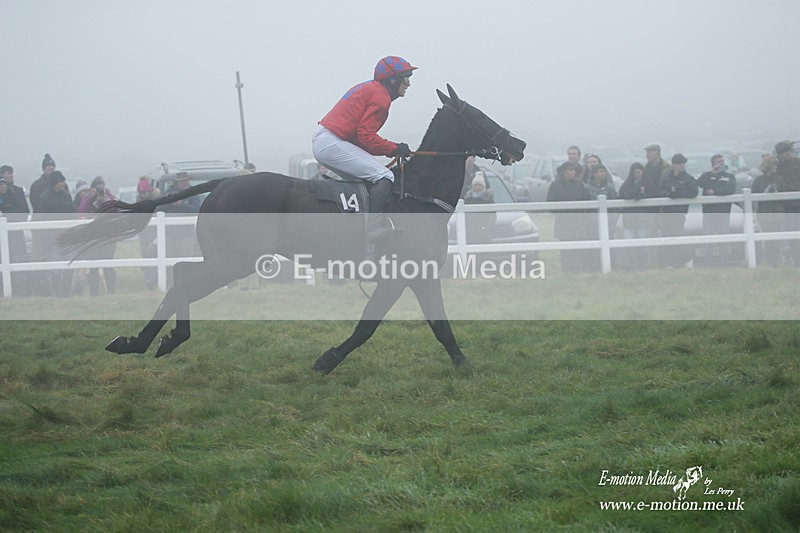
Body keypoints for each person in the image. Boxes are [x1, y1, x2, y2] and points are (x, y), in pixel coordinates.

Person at [312, 55, 416, 242]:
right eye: (406, 77)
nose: (408, 83)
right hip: (331, 142)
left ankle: (356, 228)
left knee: (367, 182)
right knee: (385, 176)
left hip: (329, 140)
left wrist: (392, 148)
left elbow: (361, 137)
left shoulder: (373, 89)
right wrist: (395, 148)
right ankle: (375, 227)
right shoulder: (381, 97)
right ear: (393, 80)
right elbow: (366, 137)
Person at [35, 170, 76, 296]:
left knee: (69, 266)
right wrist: (45, 239)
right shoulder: (44, 198)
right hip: (52, 239)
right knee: (55, 268)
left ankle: (66, 293)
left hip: (67, 238)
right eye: (60, 181)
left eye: (63, 181)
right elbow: (39, 220)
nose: (62, 184)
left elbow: (72, 215)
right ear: (54, 183)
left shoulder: (67, 196)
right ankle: (58, 293)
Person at [547, 162, 594, 272]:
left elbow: (586, 200)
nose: (573, 172)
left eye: (574, 170)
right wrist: (561, 215)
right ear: (564, 172)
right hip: (564, 222)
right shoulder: (555, 185)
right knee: (565, 246)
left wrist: (584, 216)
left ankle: (578, 268)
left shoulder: (579, 184)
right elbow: (551, 203)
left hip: (578, 222)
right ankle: (567, 268)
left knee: (578, 247)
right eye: (570, 170)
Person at [77, 175, 117, 296]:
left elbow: (116, 210)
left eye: (102, 187)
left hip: (108, 236)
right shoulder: (88, 197)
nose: (100, 190)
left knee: (108, 265)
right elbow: (81, 211)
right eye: (98, 188)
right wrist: (92, 198)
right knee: (93, 266)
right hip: (93, 236)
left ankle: (111, 292)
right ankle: (94, 293)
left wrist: (106, 198)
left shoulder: (109, 196)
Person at [656, 153, 698, 268]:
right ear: (674, 164)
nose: (681, 166)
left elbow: (693, 192)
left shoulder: (688, 178)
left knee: (677, 237)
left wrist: (680, 194)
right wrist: (669, 194)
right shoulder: (667, 178)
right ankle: (669, 262)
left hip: (679, 213)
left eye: (683, 163)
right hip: (667, 214)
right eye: (679, 163)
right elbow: (659, 191)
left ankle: (680, 261)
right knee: (667, 237)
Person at [696, 154, 736, 265]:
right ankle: (708, 263)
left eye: (723, 161)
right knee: (708, 239)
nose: (722, 163)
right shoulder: (706, 175)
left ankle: (724, 263)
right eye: (719, 161)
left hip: (723, 213)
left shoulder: (729, 176)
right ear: (713, 164)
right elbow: (699, 184)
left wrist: (714, 192)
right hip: (709, 213)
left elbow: (730, 189)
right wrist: (711, 173)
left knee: (724, 239)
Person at [0, 165, 32, 296]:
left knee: (18, 263)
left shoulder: (18, 192)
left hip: (15, 235)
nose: (11, 175)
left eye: (12, 173)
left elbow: (25, 211)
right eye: (8, 173)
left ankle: (21, 293)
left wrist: (6, 216)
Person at [751, 154, 787, 267]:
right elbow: (752, 196)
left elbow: (785, 194)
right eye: (774, 165)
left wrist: (777, 194)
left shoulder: (780, 179)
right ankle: (769, 259)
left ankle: (775, 259)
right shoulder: (758, 180)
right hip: (764, 213)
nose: (776, 167)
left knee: (776, 237)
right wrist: (765, 193)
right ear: (768, 166)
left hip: (777, 212)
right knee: (767, 237)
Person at [618, 162, 656, 269]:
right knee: (629, 243)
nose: (637, 175)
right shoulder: (627, 184)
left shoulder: (648, 183)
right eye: (635, 173)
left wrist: (642, 194)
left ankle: (642, 265)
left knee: (643, 243)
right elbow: (622, 195)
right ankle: (632, 265)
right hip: (629, 220)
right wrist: (636, 192)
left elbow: (652, 196)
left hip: (643, 219)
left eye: (639, 172)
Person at [775, 140, 800, 266]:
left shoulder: (797, 163)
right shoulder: (776, 168)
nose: (792, 153)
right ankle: (797, 261)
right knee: (793, 235)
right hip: (788, 208)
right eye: (789, 151)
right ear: (782, 154)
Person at [463, 171, 495, 245]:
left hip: (485, 234)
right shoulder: (468, 199)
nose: (477, 187)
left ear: (483, 186)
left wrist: (487, 231)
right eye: (475, 185)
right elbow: (465, 217)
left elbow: (492, 217)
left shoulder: (488, 200)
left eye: (479, 185)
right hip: (470, 235)